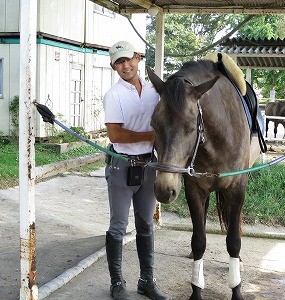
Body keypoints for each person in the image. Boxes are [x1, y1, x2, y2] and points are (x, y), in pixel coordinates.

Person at [103, 41, 169, 300]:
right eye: (119, 62)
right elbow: (115, 133)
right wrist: (154, 135)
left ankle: (146, 281)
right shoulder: (114, 95)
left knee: (145, 224)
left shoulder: (155, 90)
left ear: (139, 58)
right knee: (118, 225)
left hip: (148, 165)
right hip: (122, 164)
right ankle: (117, 282)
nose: (125, 65)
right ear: (113, 66)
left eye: (129, 59)